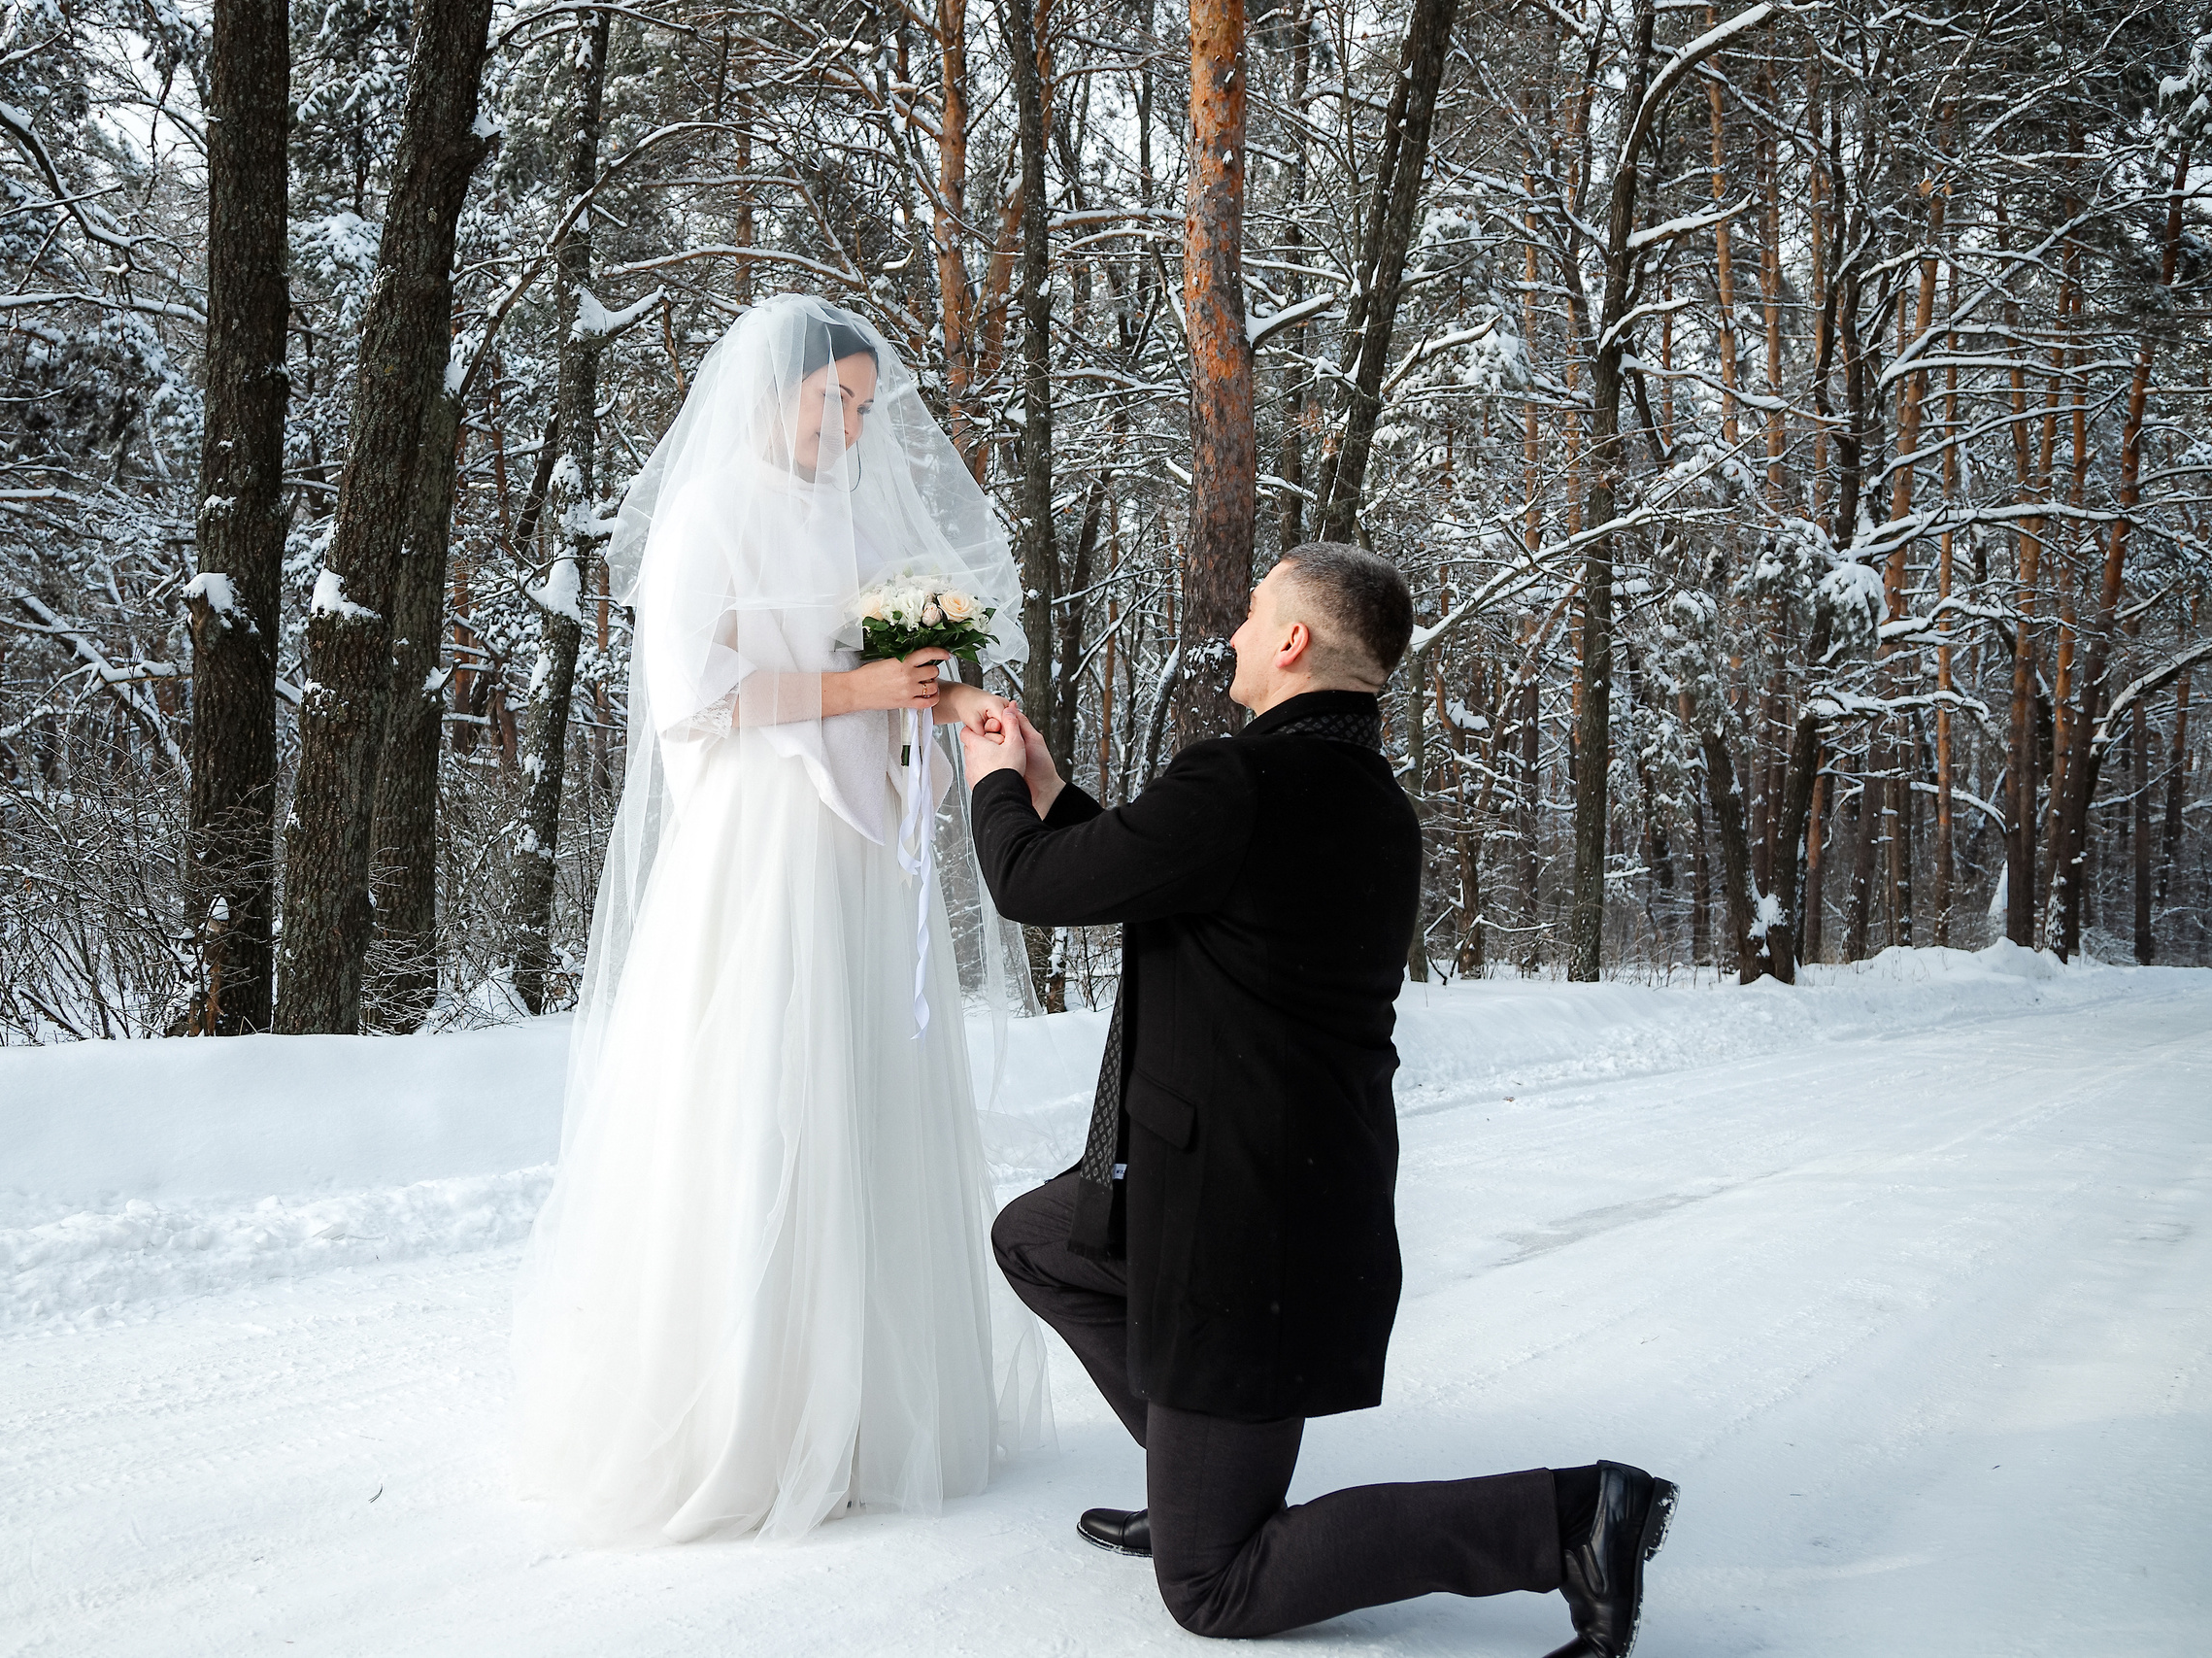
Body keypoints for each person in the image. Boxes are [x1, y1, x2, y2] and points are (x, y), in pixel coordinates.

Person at [960, 543, 1677, 1655]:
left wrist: (995, 784)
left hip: (1235, 1225)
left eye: (1253, 614)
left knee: (1215, 1588)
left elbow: (1030, 885)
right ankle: (1193, 1481)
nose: (1235, 634)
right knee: (1040, 1241)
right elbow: (1160, 875)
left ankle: (1570, 1520)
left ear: (1292, 640)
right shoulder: (1362, 798)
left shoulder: (1240, 783)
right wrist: (1054, 795)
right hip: (1289, 1192)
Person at [510, 294, 1049, 1544]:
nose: (850, 427)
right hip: (765, 838)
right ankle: (749, 1410)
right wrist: (859, 688)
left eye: (862, 406)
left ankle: (863, 1408)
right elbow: (694, 693)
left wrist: (943, 698)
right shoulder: (710, 511)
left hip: (860, 841)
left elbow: (911, 656)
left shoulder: (860, 517)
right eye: (832, 401)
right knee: (764, 1085)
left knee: (861, 1084)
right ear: (770, 393)